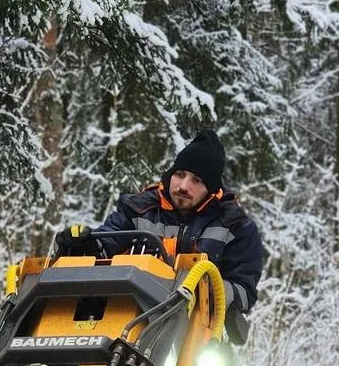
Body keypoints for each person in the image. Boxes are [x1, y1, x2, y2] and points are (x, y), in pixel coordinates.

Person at [55, 130, 265, 343]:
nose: (183, 186)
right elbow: (108, 241)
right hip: (125, 315)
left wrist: (205, 290)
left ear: (211, 189)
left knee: (214, 362)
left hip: (194, 328)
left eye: (197, 180)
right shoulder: (138, 208)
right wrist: (84, 244)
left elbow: (244, 289)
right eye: (180, 174)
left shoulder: (236, 227)